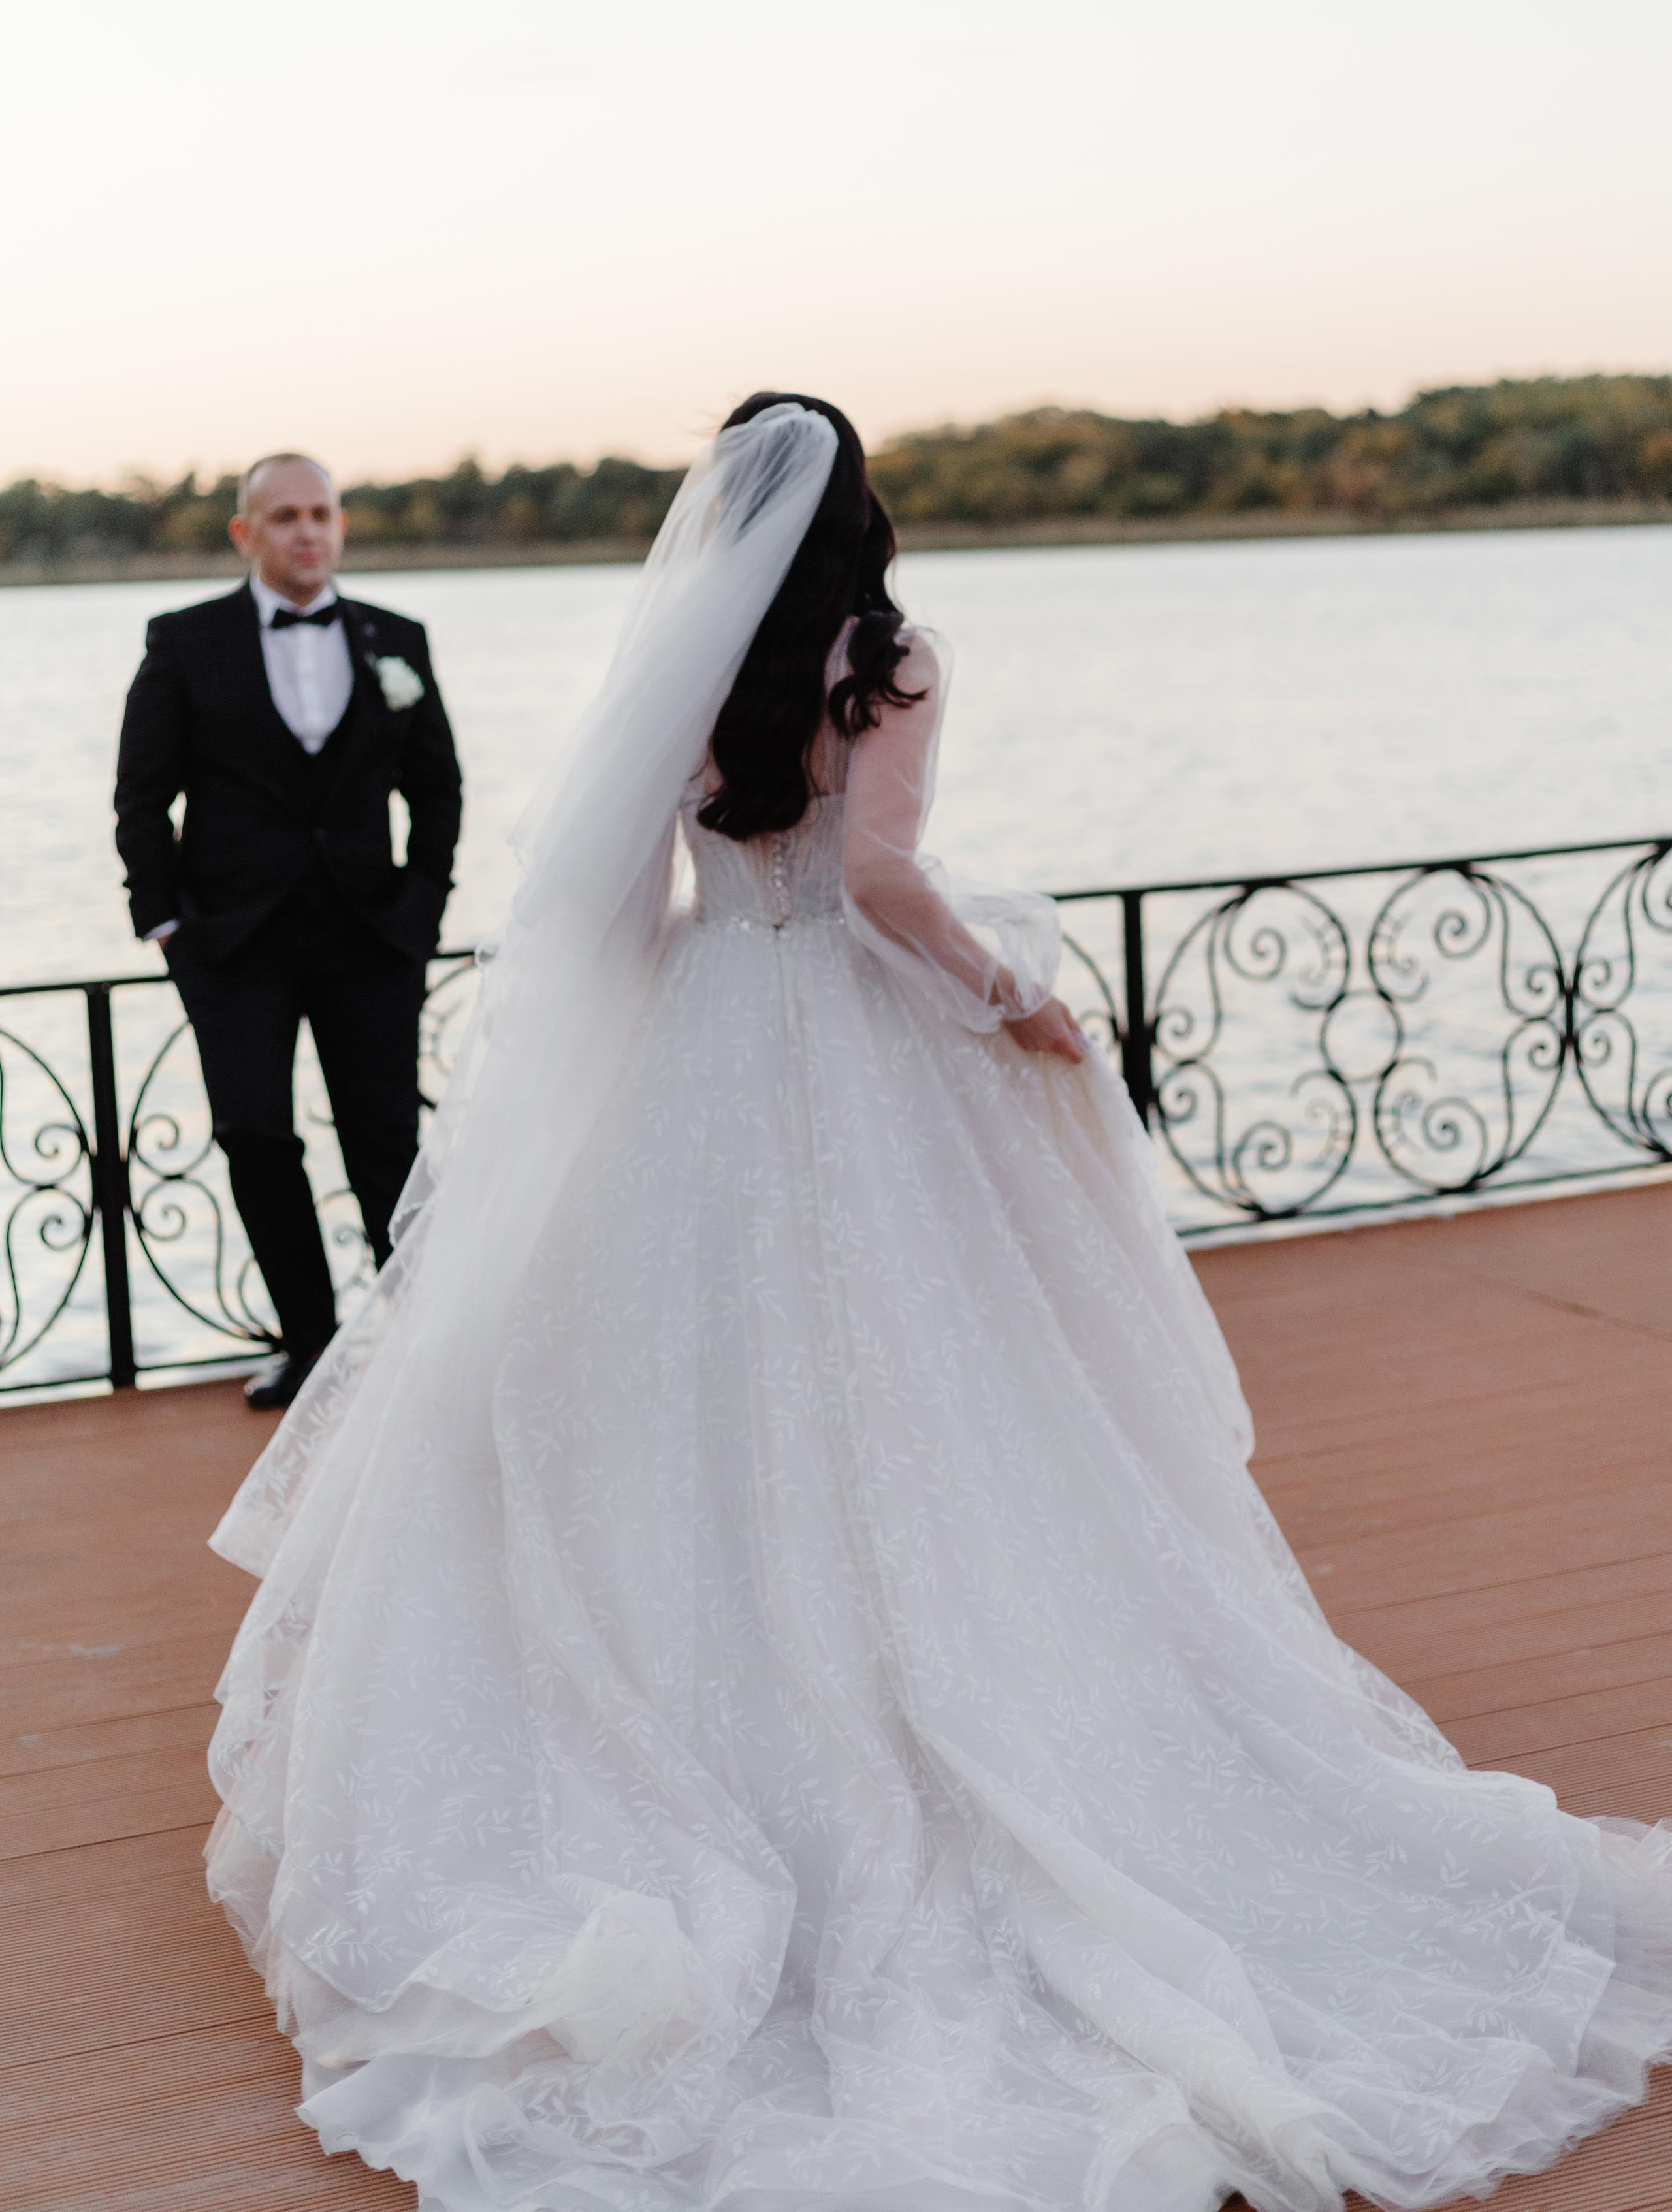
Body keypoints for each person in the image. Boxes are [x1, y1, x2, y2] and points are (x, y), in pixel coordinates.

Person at [204, 400, 1671, 2212]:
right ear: (860, 510)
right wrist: (1011, 999)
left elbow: (619, 908)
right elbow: (884, 878)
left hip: (700, 1023)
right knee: (917, 1381)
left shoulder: (685, 663)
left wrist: (609, 1074)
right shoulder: (884, 656)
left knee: (695, 1389)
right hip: (843, 1030)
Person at [114, 452, 462, 1409]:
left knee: (387, 1143)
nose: (307, 532)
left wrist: (420, 911)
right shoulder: (185, 641)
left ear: (340, 526)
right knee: (256, 1138)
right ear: (246, 533)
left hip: (371, 941)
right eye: (285, 517)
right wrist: (166, 924)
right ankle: (313, 1349)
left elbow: (438, 790)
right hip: (234, 946)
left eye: (321, 514)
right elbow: (142, 797)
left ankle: (425, 1351)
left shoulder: (398, 638)